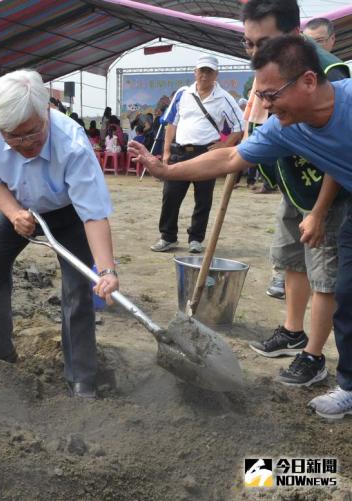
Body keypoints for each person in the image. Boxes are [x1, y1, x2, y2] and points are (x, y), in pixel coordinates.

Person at [128, 35, 352, 419]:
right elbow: (230, 156)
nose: (263, 105)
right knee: (347, 294)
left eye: (271, 94)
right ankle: (349, 387)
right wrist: (167, 170)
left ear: (309, 82)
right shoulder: (286, 127)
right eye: (260, 95)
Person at [0, 69, 118, 399]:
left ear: (46, 113)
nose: (23, 144)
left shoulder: (72, 143)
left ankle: (81, 376)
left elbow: (93, 213)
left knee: (78, 285)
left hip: (68, 212)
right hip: (19, 207)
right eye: (13, 137)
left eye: (31, 134)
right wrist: (13, 214)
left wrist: (107, 269)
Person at [237, 0, 350, 387]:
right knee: (291, 257)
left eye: (263, 41)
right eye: (248, 44)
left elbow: (338, 150)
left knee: (326, 274)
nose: (256, 52)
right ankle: (292, 330)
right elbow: (252, 142)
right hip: (293, 183)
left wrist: (318, 211)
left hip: (328, 192)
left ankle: (314, 355)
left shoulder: (323, 70)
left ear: (293, 35)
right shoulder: (266, 72)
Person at [150, 55, 244, 254]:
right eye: (201, 70)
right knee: (170, 195)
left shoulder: (224, 98)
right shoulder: (183, 93)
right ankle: (168, 237)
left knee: (203, 199)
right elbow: (171, 123)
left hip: (206, 153)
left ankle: (196, 239)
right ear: (195, 72)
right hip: (180, 152)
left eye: (209, 71)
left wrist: (224, 145)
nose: (204, 75)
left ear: (216, 74)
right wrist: (166, 151)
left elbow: (239, 126)